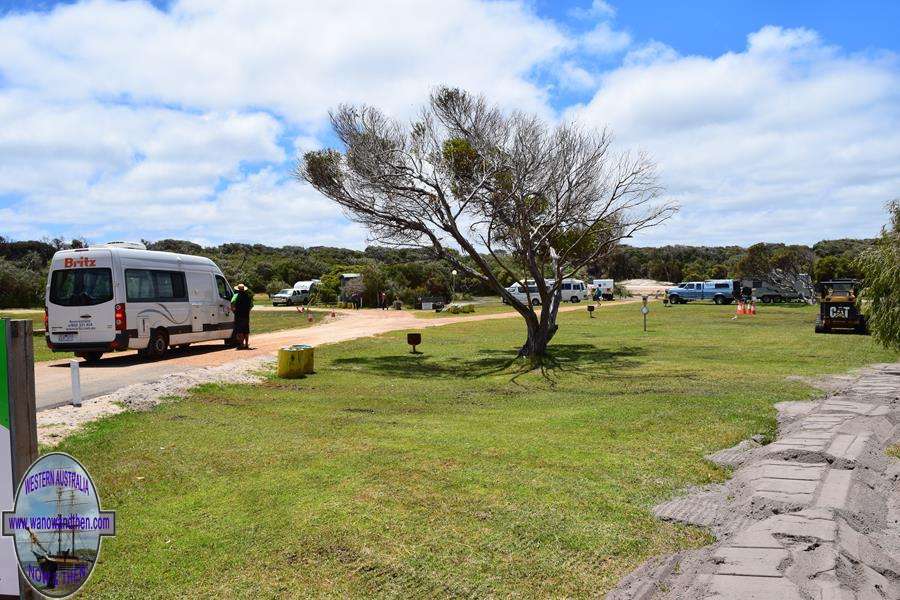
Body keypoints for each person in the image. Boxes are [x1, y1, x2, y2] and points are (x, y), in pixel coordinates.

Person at [230, 283, 254, 349]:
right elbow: (251, 306)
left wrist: (234, 312)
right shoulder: (248, 297)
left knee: (239, 330)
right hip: (246, 315)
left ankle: (241, 344)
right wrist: (247, 311)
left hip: (238, 315)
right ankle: (246, 344)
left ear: (238, 290)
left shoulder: (235, 296)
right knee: (246, 330)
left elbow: (232, 305)